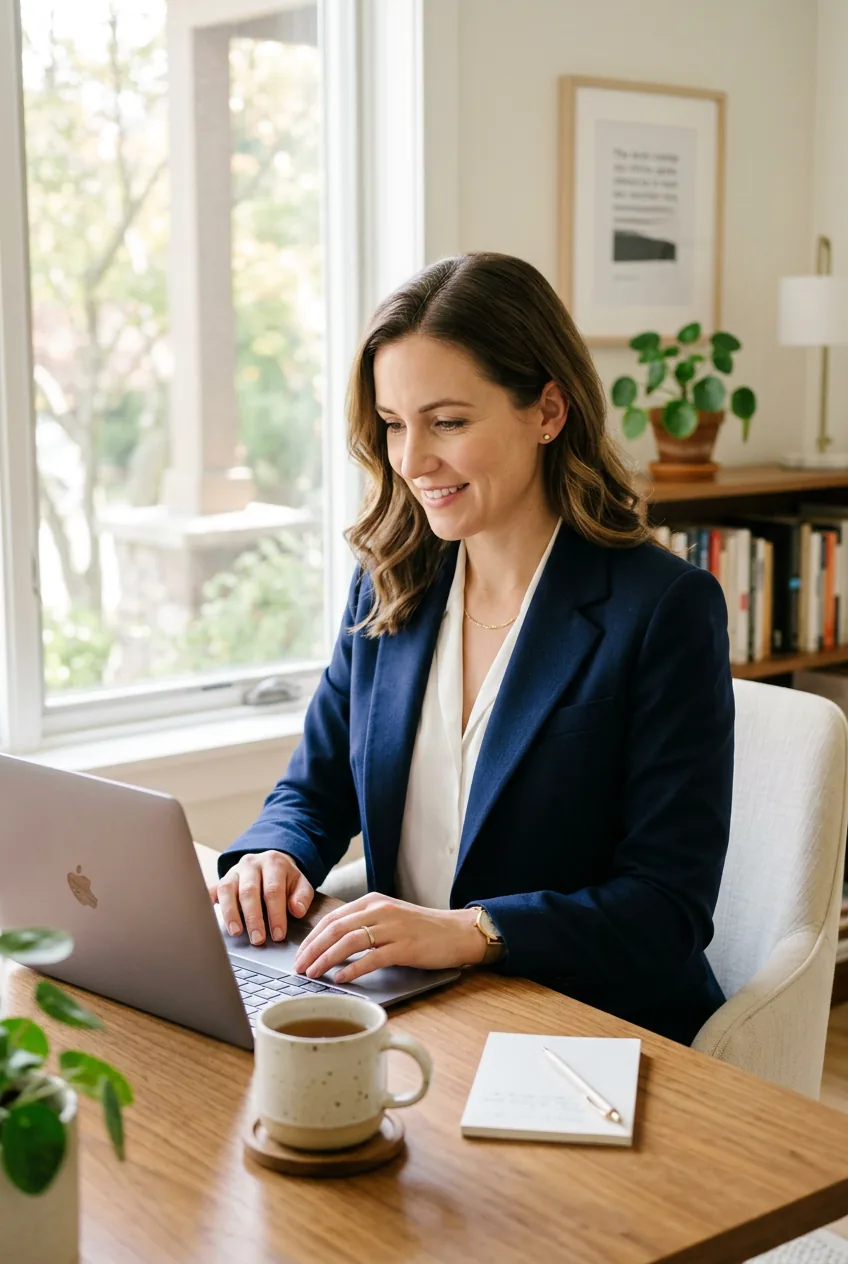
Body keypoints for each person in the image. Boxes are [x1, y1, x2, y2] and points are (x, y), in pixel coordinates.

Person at [210, 252, 734, 1045]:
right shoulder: (391, 585)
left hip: (593, 1028)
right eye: (393, 424)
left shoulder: (663, 608)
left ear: (548, 411)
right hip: (420, 1016)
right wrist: (270, 858)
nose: (413, 462)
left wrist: (473, 932)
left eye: (447, 422)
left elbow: (667, 908)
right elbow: (312, 793)